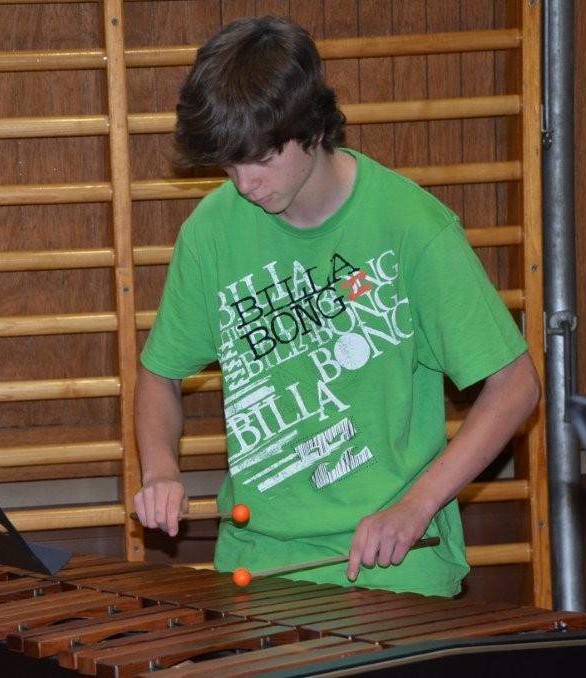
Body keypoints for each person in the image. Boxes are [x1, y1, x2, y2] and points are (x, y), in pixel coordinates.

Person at [132, 15, 539, 597]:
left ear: (313, 127)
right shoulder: (211, 232)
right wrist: (160, 471)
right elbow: (159, 375)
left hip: (392, 566)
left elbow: (515, 385)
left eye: (262, 158)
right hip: (255, 560)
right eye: (229, 162)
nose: (244, 183)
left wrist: (416, 506)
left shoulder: (412, 228)